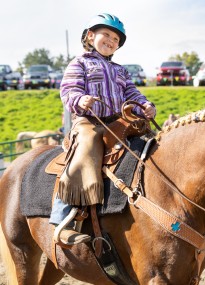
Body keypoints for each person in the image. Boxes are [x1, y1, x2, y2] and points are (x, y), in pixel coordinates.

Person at [49, 13, 156, 245]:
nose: (111, 40)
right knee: (86, 147)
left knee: (152, 143)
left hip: (119, 121)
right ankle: (62, 219)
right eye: (106, 34)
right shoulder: (79, 63)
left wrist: (145, 106)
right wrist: (80, 99)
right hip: (89, 120)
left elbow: (132, 94)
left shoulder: (121, 71)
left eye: (116, 39)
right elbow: (68, 91)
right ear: (90, 35)